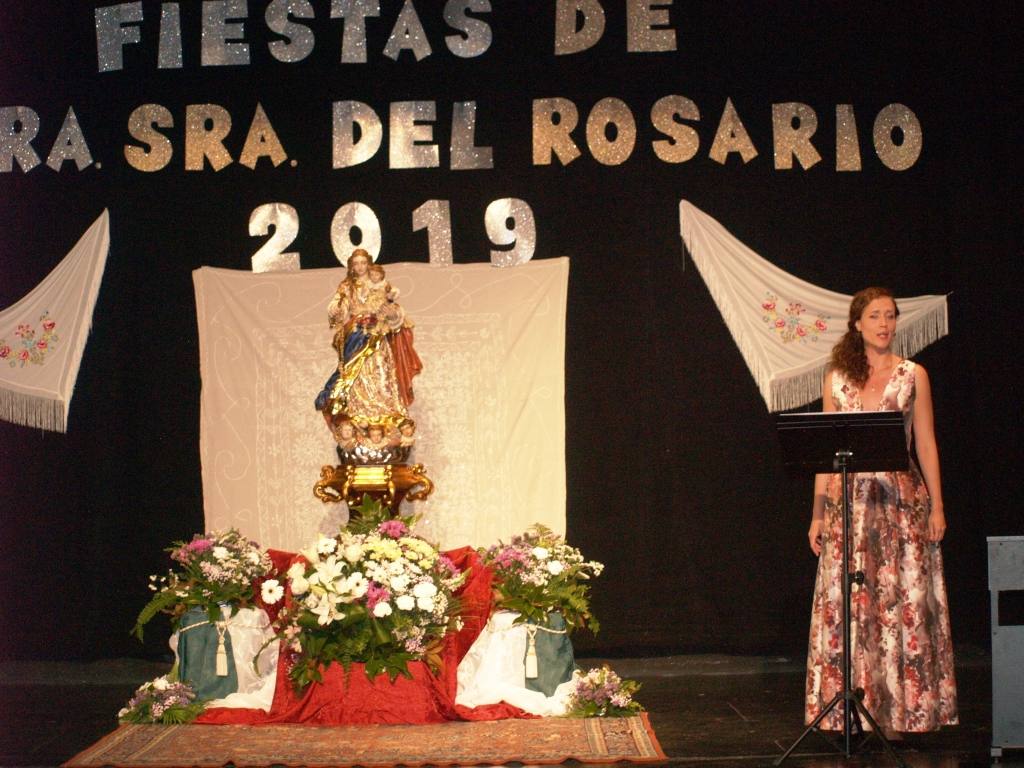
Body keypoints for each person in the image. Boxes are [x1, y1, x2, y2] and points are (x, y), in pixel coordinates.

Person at [805, 286, 957, 736]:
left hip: (899, 504)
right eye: (875, 316)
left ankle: (899, 714)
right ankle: (849, 712)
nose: (885, 324)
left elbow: (925, 443)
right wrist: (816, 514)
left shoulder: (914, 374)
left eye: (890, 316)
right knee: (853, 605)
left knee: (898, 604)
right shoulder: (836, 378)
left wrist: (937, 504)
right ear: (857, 323)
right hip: (848, 505)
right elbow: (825, 455)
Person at [314, 249, 422, 433]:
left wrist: (391, 313)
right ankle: (360, 413)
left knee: (380, 370)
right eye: (356, 263)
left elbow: (392, 307)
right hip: (357, 334)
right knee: (357, 374)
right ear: (351, 266)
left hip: (377, 334)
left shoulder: (379, 282)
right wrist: (337, 308)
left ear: (369, 264)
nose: (360, 267)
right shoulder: (347, 286)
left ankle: (385, 411)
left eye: (363, 263)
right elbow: (338, 310)